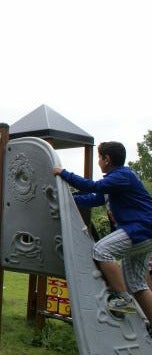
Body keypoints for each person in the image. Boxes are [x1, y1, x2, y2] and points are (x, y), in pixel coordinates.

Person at [53, 141, 152, 329]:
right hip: (144, 231)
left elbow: (93, 186)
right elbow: (95, 198)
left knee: (101, 250)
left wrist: (63, 173)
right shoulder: (118, 180)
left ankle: (123, 300)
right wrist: (68, 198)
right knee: (137, 284)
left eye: (99, 157)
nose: (98, 161)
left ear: (107, 159)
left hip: (141, 228)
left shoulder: (122, 175)